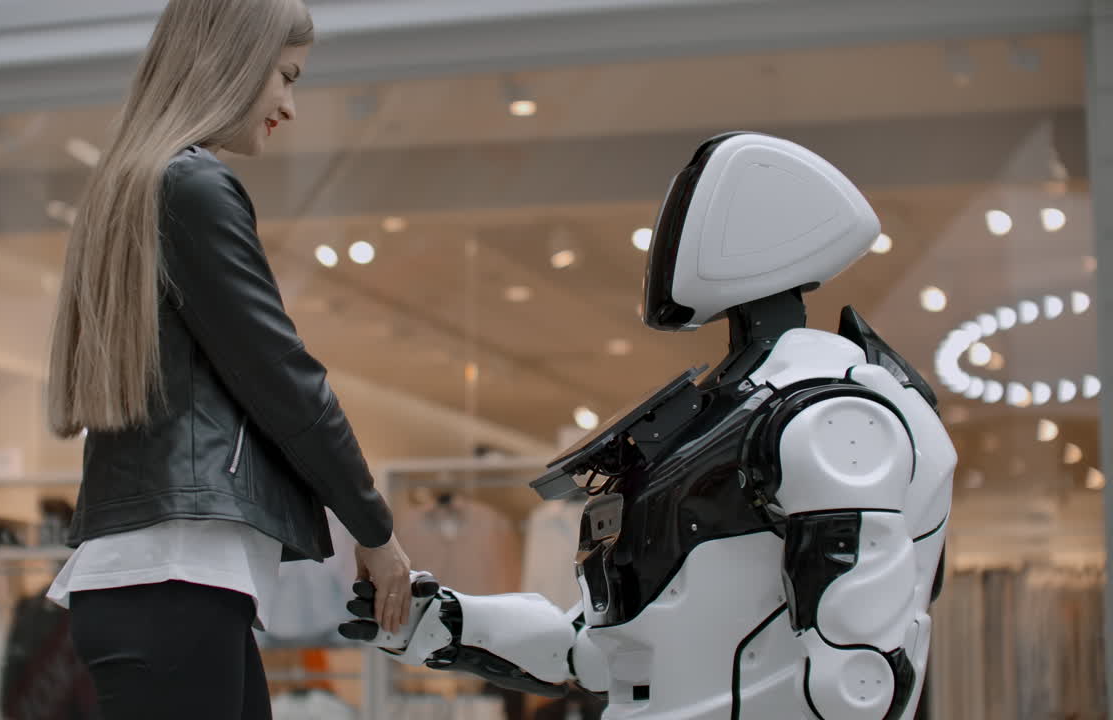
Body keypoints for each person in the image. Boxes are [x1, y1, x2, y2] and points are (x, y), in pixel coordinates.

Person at [339, 132, 956, 720]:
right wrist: (445, 622)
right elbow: (593, 651)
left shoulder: (826, 419)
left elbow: (859, 666)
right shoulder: (722, 423)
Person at [43, 1, 413, 718]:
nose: (290, 106)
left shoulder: (142, 186)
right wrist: (376, 531)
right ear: (233, 61)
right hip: (175, 584)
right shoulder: (192, 186)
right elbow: (285, 381)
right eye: (285, 76)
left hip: (165, 586)